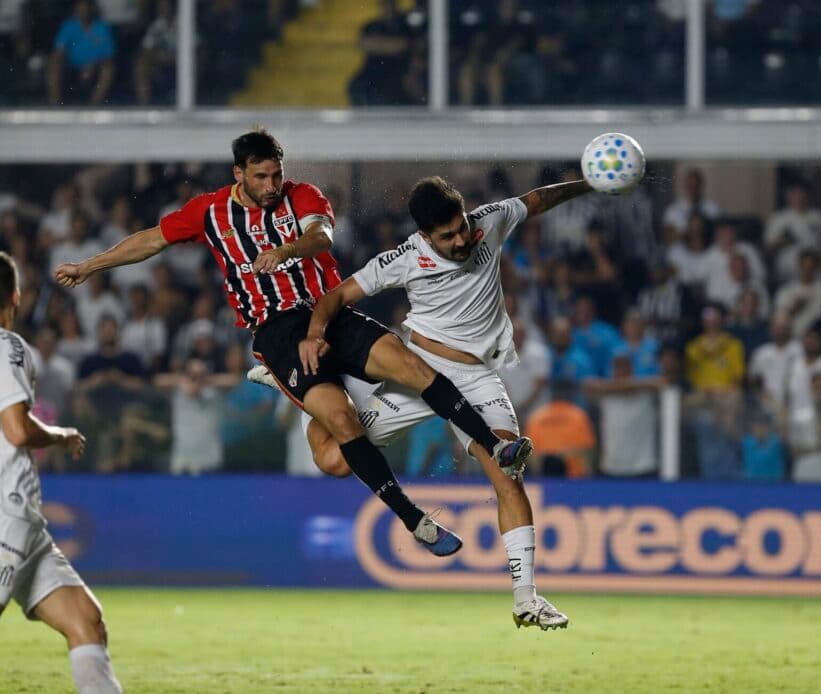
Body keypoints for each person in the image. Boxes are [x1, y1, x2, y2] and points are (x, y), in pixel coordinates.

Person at [54, 129, 532, 559]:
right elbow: (152, 240)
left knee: (410, 364)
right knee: (342, 422)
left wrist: (285, 251)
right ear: (238, 173)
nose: (271, 185)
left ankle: (494, 444)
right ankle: (416, 520)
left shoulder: (303, 195)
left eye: (276, 174)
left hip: (329, 312)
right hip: (277, 331)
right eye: (260, 176)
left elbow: (320, 236)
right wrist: (89, 266)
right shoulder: (211, 211)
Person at [255, 173, 599, 630]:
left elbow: (537, 199)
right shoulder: (403, 259)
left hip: (478, 377)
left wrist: (590, 182)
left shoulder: (489, 221)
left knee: (508, 474)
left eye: (461, 228)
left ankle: (526, 598)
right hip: (419, 373)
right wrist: (315, 336)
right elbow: (336, 296)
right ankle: (289, 383)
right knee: (334, 460)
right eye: (447, 236)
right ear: (424, 235)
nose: (461, 240)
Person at [0, 252, 123, 693]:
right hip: (5, 516)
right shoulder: (7, 344)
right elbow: (16, 429)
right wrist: (60, 434)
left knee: (86, 622)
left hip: (27, 529)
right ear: (16, 296)